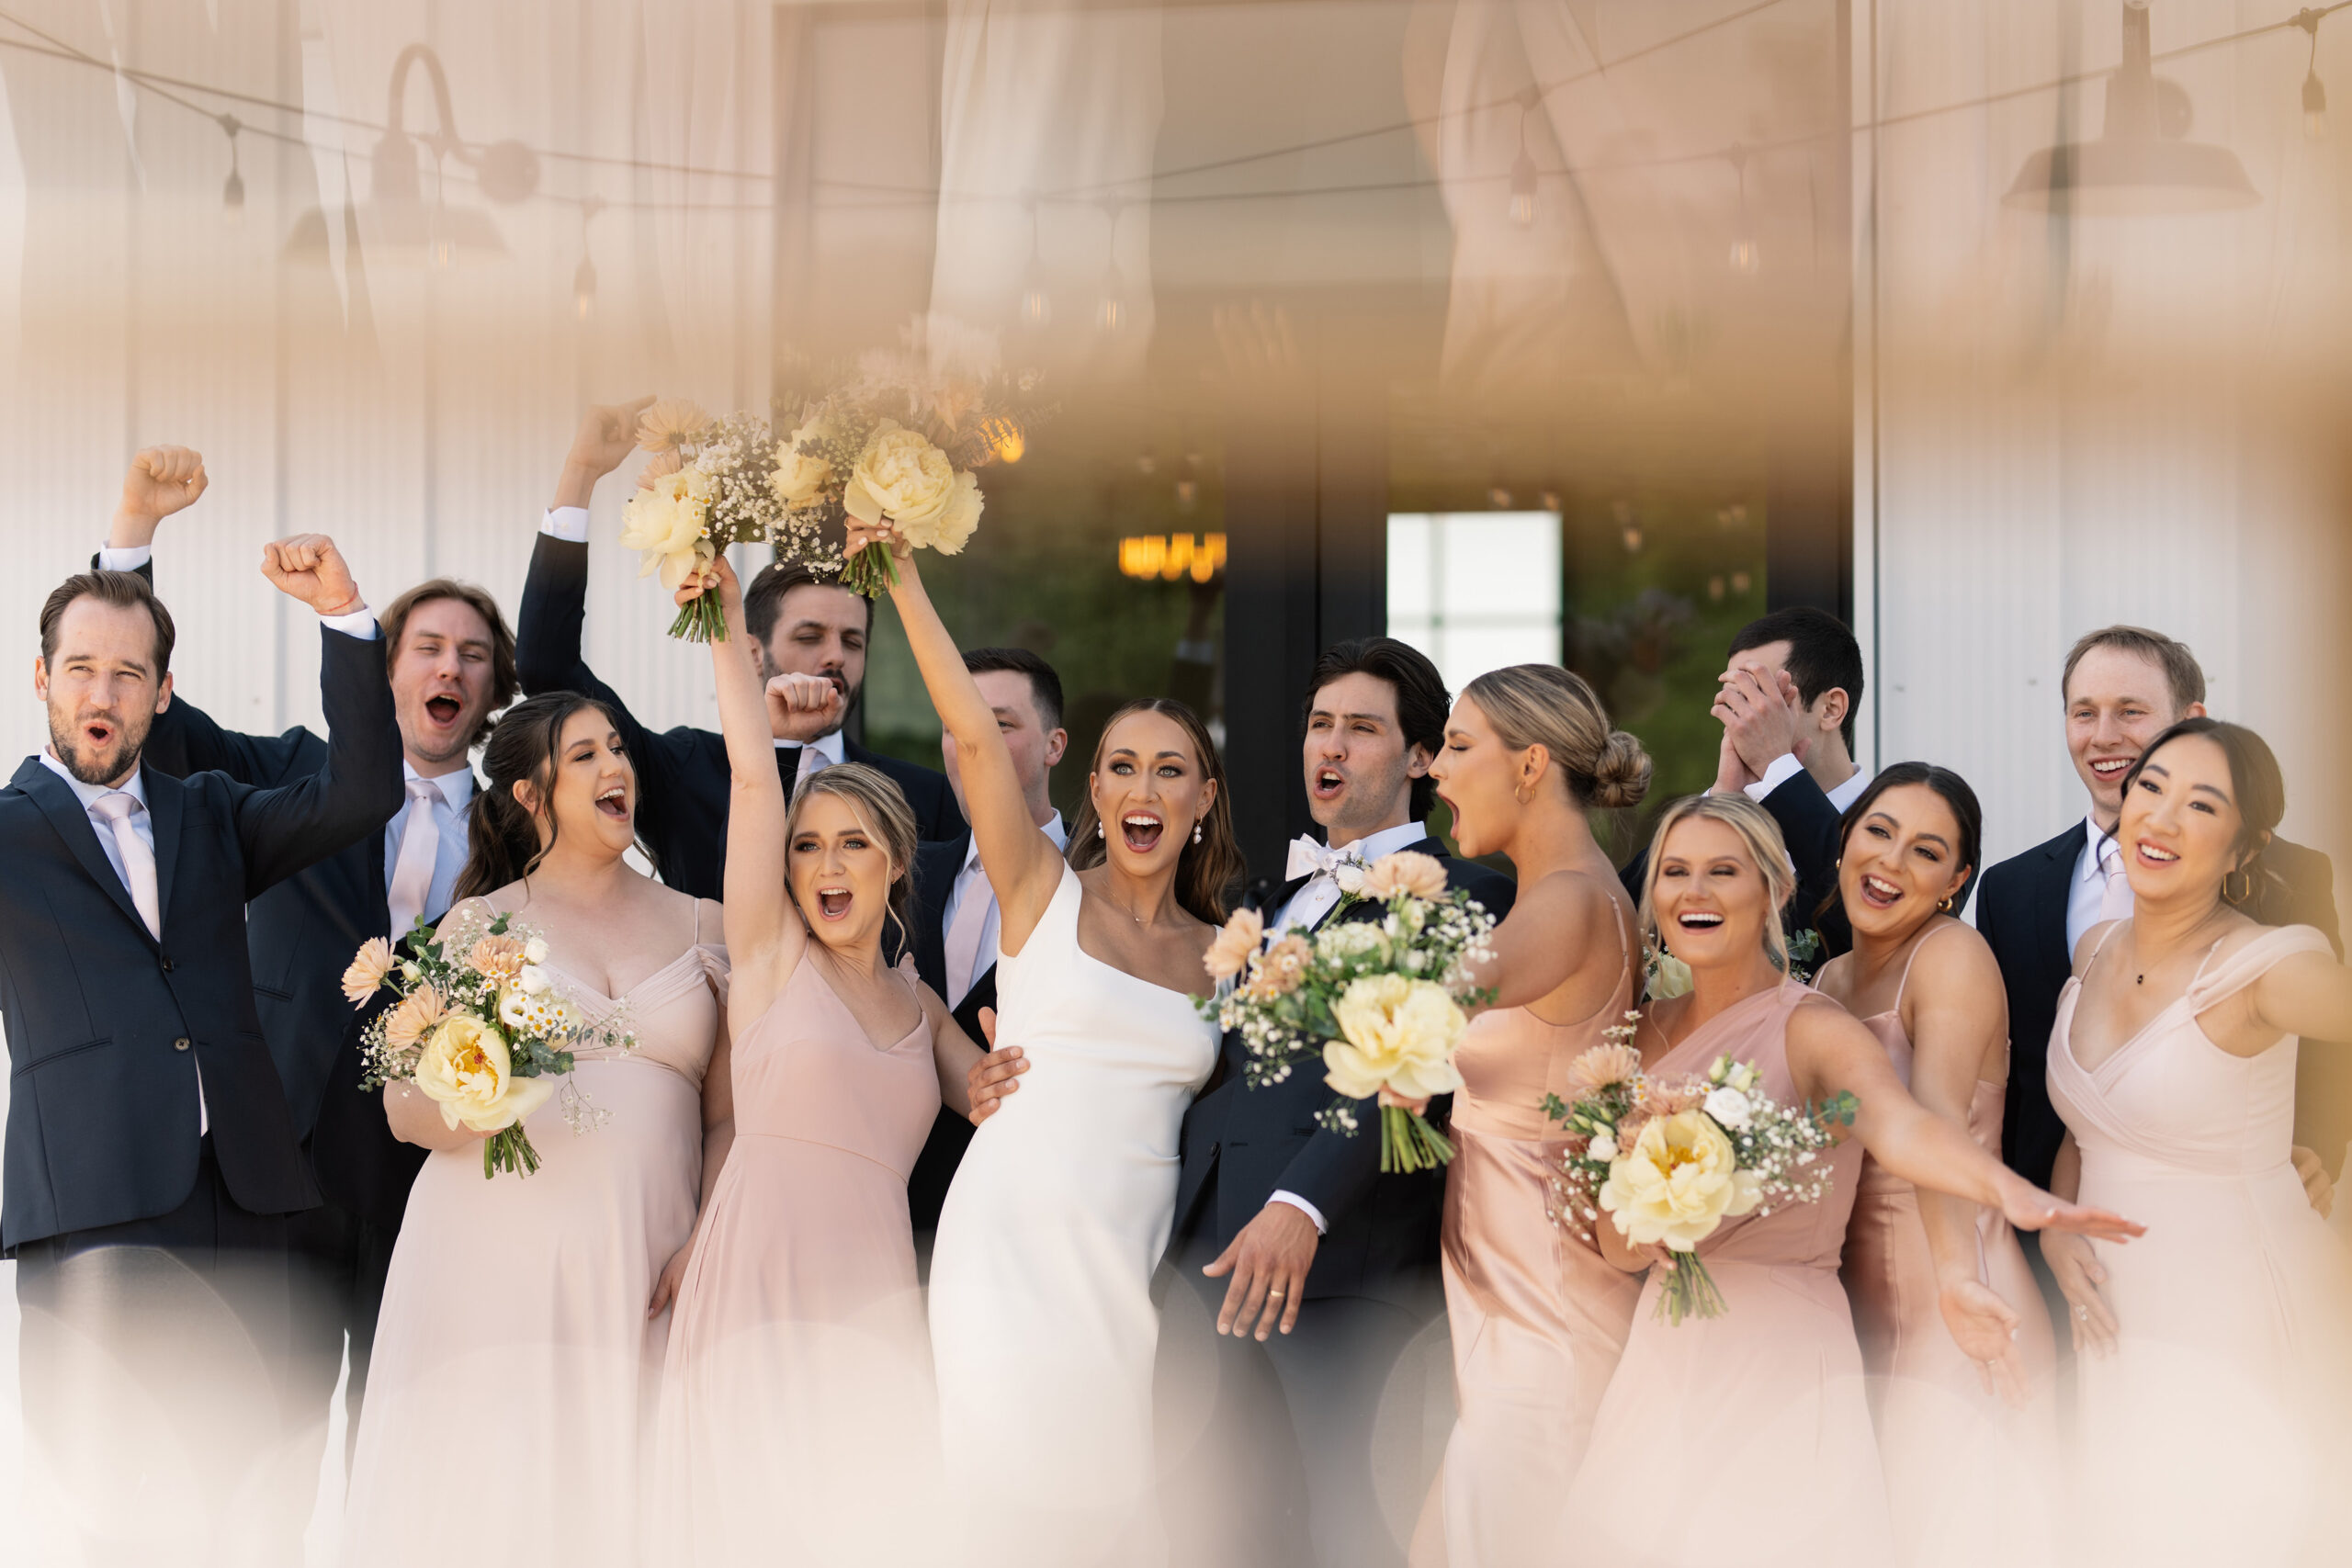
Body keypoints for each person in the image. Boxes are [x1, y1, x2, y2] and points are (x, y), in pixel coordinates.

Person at [1561, 794, 2140, 1567]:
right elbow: (1615, 1243)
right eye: (1675, 871)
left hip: (1782, 1348)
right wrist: (1657, 1206)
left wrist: (2010, 1192)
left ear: (1773, 888)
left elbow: (1903, 1125)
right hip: (1663, 1356)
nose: (1693, 892)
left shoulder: (1813, 1024)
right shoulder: (1643, 1031)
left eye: (1722, 871)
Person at [96, 445, 518, 1482]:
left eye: (471, 655)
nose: (448, 669)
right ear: (381, 667)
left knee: (402, 1444)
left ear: (494, 686)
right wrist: (133, 533)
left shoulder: (522, 828)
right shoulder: (286, 774)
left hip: (427, 1178)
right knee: (257, 1441)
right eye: (425, 646)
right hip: (272, 1154)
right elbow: (150, 723)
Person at [6, 542, 402, 1568]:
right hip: (97, 1204)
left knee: (263, 1496)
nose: (104, 689)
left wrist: (348, 618)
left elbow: (361, 794)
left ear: (162, 692)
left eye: (128, 673)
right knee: (118, 1508)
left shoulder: (214, 811)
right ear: (41, 678)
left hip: (255, 1196)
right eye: (82, 668)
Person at [859, 518, 1233, 1566]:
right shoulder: (1040, 894)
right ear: (1097, 792)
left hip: (1137, 1258)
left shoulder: (1231, 956)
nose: (1143, 789)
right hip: (1008, 1244)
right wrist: (900, 579)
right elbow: (976, 738)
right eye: (1122, 767)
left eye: (1171, 771)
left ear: (1201, 801)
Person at [651, 559, 991, 1566]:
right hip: (757, 1266)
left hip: (876, 1280)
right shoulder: (768, 955)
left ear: (896, 859)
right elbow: (755, 776)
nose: (825, 867)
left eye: (852, 845)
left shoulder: (918, 999)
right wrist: (718, 623)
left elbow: (993, 1096)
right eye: (805, 848)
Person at [339, 694, 727, 1568]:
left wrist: (707, 1234)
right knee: (495, 1500)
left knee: (631, 1493)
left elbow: (732, 1111)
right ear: (531, 794)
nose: (615, 766)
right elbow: (404, 1113)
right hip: (490, 1252)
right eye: (584, 754)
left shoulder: (706, 923)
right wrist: (481, 1089)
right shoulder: (481, 924)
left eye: (618, 747)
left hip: (648, 1255)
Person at [1161, 637, 1514, 1568]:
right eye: (1321, 725)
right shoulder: (1256, 897)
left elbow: (1416, 1066)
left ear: (1420, 757)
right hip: (1204, 1265)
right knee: (1217, 1536)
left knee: (1348, 1535)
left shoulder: (1467, 896)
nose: (1331, 747)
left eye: (1362, 729)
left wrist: (1301, 1204)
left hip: (1343, 1265)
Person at [2041, 718, 2352, 1567]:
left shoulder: (2267, 967)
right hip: (2119, 1315)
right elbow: (2086, 1131)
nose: (2162, 818)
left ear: (2242, 846)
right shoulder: (2096, 949)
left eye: (2201, 804)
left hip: (2234, 1306)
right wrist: (2059, 1223)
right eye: (2152, 787)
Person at [1975, 627, 2336, 1251]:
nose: (2104, 735)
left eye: (2131, 711)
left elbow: (2330, 1056)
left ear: (2192, 722)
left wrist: (2317, 1147)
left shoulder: (2291, 873)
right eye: (2083, 712)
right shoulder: (2009, 889)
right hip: (2048, 1244)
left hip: (2224, 1241)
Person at [515, 399, 962, 898]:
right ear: (752, 652)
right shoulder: (687, 769)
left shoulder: (922, 796)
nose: (835, 655)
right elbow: (545, 665)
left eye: (852, 641)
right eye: (810, 636)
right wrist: (581, 473)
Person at [1410, 664, 1648, 1567]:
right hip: (1509, 1312)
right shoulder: (1567, 894)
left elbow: (1407, 1011)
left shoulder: (1567, 902)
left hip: (1539, 1320)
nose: (1435, 769)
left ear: (1530, 765)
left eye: (1460, 745)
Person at [1814, 764, 2056, 1568]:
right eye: (1878, 831)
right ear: (1846, 837)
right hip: (1858, 1309)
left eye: (1926, 851)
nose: (1889, 863)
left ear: (1956, 881)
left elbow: (1937, 1122)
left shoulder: (1951, 955)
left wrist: (1953, 1277)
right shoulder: (1826, 980)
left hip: (1959, 1300)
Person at [906, 645, 1069, 1240]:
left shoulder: (1098, 887)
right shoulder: (900, 876)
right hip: (899, 1216)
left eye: (997, 724)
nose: (971, 741)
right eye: (956, 726)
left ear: (1055, 746)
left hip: (1035, 1217)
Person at [1618, 606, 1870, 957]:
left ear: (1830, 709)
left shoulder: (1901, 822)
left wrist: (1776, 768)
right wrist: (1722, 798)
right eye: (1734, 698)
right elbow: (1621, 918)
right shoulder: (1724, 808)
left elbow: (1867, 922)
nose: (1741, 718)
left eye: (1759, 697)